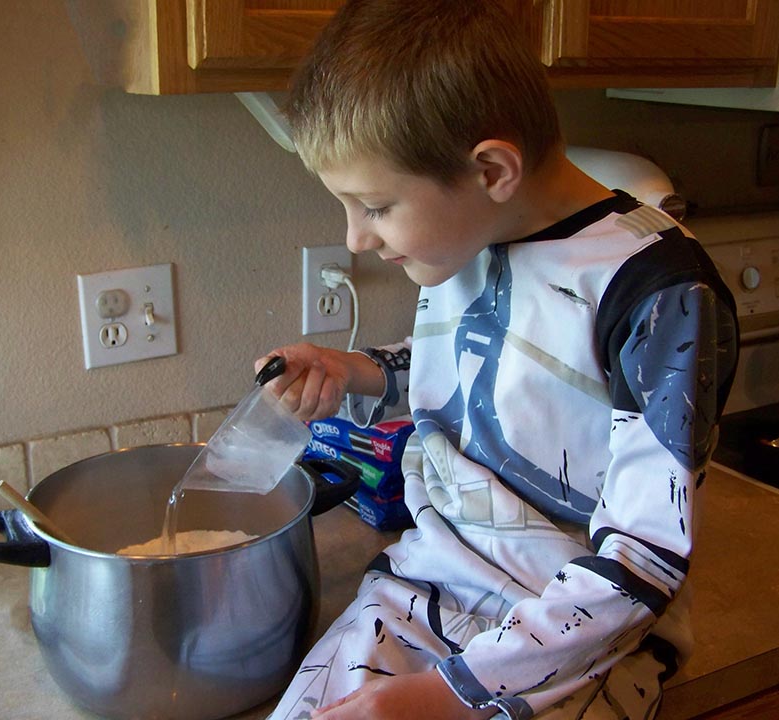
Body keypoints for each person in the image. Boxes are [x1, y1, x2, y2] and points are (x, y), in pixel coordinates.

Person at [255, 2, 739, 718]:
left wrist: (446, 697)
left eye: (375, 205)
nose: (355, 238)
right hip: (427, 582)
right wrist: (360, 371)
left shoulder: (658, 292)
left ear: (490, 169)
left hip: (583, 632)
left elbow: (643, 560)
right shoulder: (473, 231)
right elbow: (499, 363)